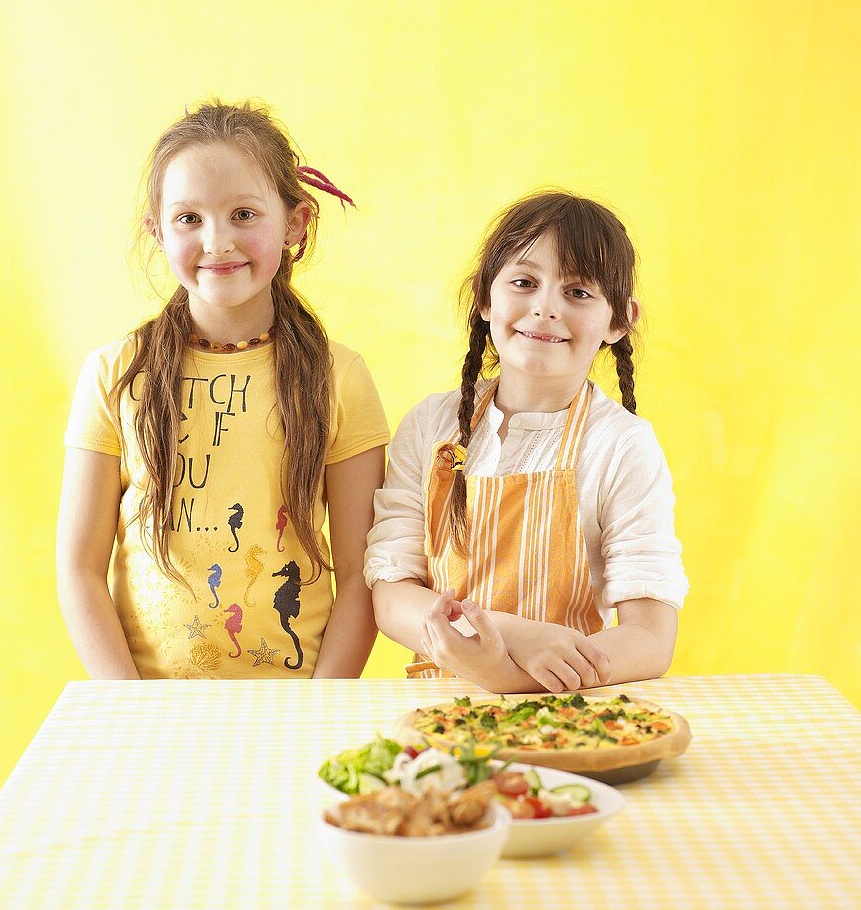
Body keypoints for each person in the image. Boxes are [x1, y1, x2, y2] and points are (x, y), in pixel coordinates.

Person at [58, 100, 389, 679]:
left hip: (297, 702)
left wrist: (319, 704)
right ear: (156, 230)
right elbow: (80, 567)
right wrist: (132, 707)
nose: (217, 242)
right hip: (150, 710)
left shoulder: (340, 377)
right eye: (189, 218)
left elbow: (363, 572)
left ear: (295, 222)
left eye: (243, 214)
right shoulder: (114, 375)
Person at [366, 191, 688, 692]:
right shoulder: (430, 426)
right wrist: (513, 635)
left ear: (620, 319)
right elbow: (391, 596)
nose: (545, 309)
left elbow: (649, 637)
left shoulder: (622, 446)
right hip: (438, 708)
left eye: (578, 292)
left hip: (566, 713)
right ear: (485, 297)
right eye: (524, 282)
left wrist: (509, 674)